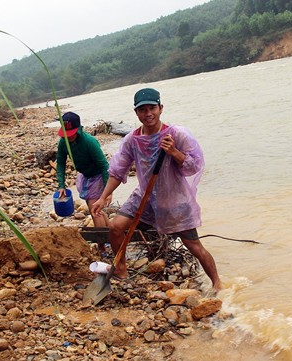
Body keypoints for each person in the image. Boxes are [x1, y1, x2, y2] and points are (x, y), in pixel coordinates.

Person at [90, 88, 222, 291]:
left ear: (160, 108)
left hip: (174, 200)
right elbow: (117, 171)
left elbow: (194, 166)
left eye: (152, 108)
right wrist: (102, 197)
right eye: (142, 110)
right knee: (116, 227)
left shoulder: (177, 134)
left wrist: (174, 152)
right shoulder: (132, 141)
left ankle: (217, 283)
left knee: (194, 246)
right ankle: (121, 269)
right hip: (145, 197)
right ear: (136, 113)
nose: (148, 113)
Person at [56, 111, 111, 231]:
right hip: (85, 175)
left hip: (98, 175)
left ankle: (102, 246)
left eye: (71, 134)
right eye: (66, 134)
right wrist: (61, 185)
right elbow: (60, 163)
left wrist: (108, 192)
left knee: (95, 210)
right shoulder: (63, 142)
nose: (69, 137)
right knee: (96, 209)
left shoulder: (89, 142)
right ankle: (111, 233)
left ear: (78, 129)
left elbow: (104, 165)